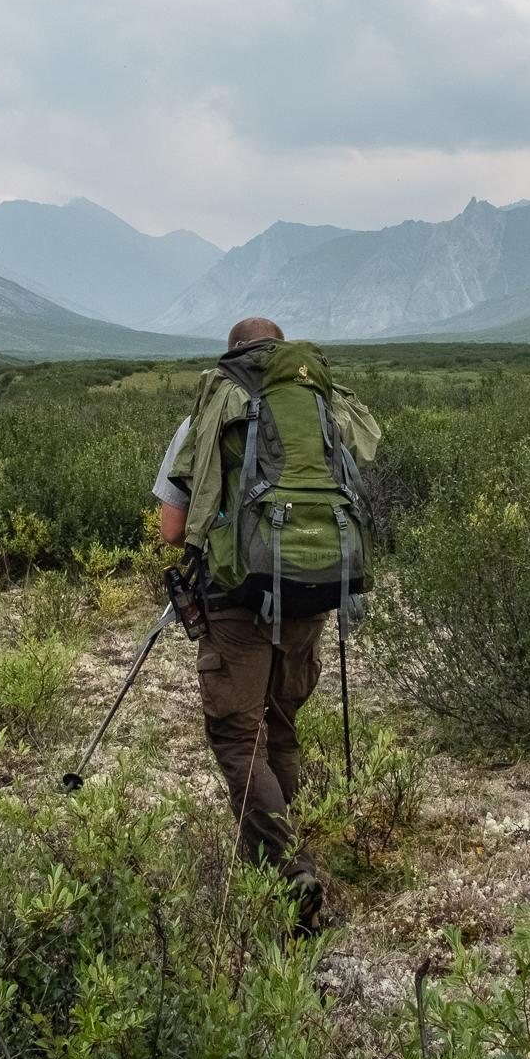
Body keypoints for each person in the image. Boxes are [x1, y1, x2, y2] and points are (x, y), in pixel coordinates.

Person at [151, 316, 378, 933]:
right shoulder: (321, 412)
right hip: (312, 587)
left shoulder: (209, 413)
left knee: (236, 734)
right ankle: (293, 859)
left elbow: (174, 531)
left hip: (236, 599)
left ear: (233, 357)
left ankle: (286, 873)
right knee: (282, 728)